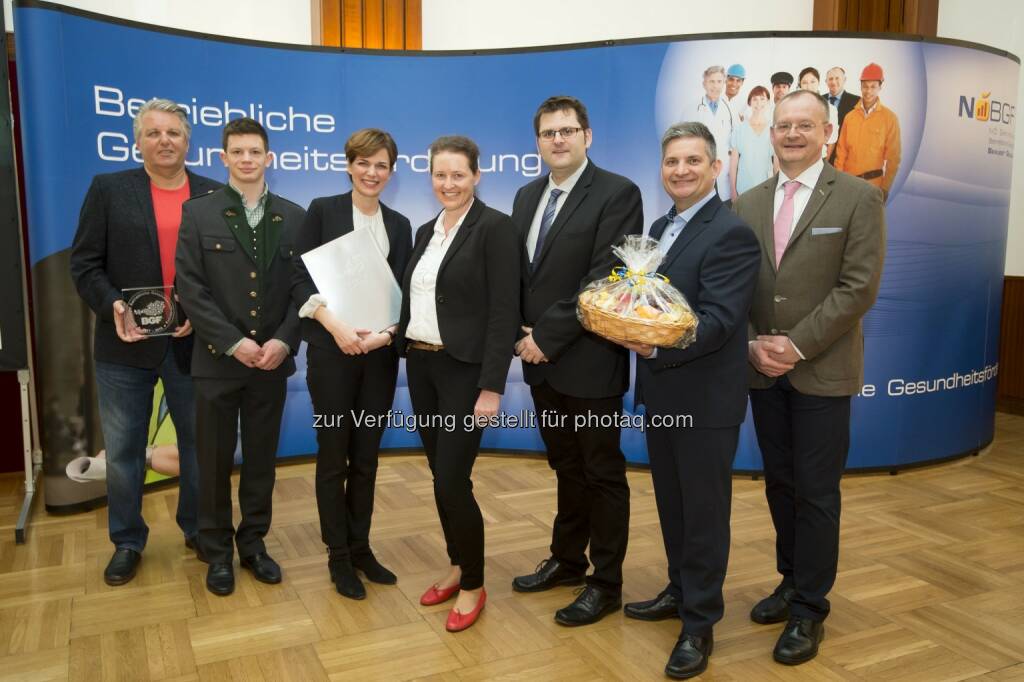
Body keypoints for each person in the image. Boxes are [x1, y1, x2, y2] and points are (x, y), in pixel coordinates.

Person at [732, 89, 885, 665]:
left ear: (828, 133)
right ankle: (790, 580)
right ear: (771, 133)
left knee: (817, 493)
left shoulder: (859, 198)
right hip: (762, 371)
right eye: (783, 125)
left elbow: (858, 288)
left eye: (805, 125)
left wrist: (795, 345)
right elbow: (736, 285)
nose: (792, 134)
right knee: (780, 484)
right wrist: (753, 344)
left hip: (821, 370)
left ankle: (810, 608)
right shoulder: (747, 202)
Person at [619, 121, 760, 680]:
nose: (681, 170)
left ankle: (700, 624)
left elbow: (720, 321)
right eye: (672, 161)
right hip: (663, 391)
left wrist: (653, 344)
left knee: (703, 513)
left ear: (716, 167)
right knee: (673, 504)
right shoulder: (660, 227)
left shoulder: (731, 233)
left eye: (693, 161)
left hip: (704, 399)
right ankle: (679, 591)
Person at [70, 98, 220, 586]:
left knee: (199, 446)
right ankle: (127, 541)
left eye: (173, 132)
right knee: (124, 451)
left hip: (192, 345)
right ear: (138, 142)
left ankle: (197, 529)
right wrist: (113, 304)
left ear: (187, 141)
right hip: (124, 347)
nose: (164, 141)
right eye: (153, 133)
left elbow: (225, 272)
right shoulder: (109, 189)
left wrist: (201, 314)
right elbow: (85, 264)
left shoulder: (214, 194)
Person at [510, 95, 643, 626]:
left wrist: (547, 335)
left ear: (587, 136)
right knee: (565, 466)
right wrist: (521, 337)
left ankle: (605, 583)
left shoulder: (618, 192)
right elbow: (521, 276)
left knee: (601, 472)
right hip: (539, 361)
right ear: (538, 142)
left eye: (567, 130)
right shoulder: (526, 196)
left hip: (589, 358)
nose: (558, 140)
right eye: (548, 133)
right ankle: (567, 561)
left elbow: (608, 277)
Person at [394, 135, 519, 632]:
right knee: (439, 476)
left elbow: (504, 312)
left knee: (452, 479)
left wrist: (492, 387)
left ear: (476, 176)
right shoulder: (426, 230)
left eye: (458, 175)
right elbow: (418, 301)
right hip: (422, 367)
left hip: (466, 373)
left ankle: (474, 584)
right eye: (440, 175)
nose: (448, 184)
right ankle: (457, 564)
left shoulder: (496, 228)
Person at [175, 117, 304, 596]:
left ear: (269, 158)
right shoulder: (198, 214)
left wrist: (284, 341)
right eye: (237, 152)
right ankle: (217, 552)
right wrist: (234, 342)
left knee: (261, 460)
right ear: (223, 158)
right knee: (212, 462)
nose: (247, 159)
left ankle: (253, 544)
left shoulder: (295, 216)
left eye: (255, 152)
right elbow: (191, 287)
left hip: (271, 362)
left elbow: (305, 290)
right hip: (216, 362)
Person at [293, 128, 412, 599]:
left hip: (378, 360)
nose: (372, 172)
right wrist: (334, 326)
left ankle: (361, 547)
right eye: (363, 163)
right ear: (348, 165)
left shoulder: (399, 225)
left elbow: (402, 293)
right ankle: (338, 556)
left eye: (381, 165)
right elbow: (298, 277)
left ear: (392, 171)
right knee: (332, 457)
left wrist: (386, 335)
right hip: (331, 355)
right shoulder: (322, 211)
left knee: (366, 458)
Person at [834, 63, 901, 200]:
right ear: (860, 86)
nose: (868, 91)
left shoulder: (889, 119)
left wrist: (885, 188)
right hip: (848, 185)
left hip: (873, 187)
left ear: (880, 87)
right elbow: (841, 153)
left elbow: (893, 158)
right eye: (865, 86)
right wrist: (838, 182)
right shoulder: (850, 117)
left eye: (873, 87)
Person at [693, 66, 734, 201]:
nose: (715, 86)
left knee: (724, 203)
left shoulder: (730, 108)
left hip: (724, 167)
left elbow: (736, 140)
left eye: (719, 81)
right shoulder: (692, 109)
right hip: (702, 165)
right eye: (711, 81)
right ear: (704, 84)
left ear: (724, 83)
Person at [729, 85, 775, 196]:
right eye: (755, 99)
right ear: (749, 103)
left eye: (762, 99)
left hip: (766, 187)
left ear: (768, 102)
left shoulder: (773, 130)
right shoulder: (740, 129)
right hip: (744, 187)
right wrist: (733, 191)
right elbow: (733, 163)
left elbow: (777, 165)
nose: (759, 103)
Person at [797, 67, 839, 159]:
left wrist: (824, 162)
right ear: (800, 85)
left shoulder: (830, 109)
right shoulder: (793, 108)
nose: (809, 86)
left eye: (813, 82)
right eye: (804, 83)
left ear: (818, 83)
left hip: (819, 158)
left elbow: (831, 141)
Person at [824, 66, 860, 162]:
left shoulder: (857, 102)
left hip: (846, 157)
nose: (833, 82)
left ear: (844, 80)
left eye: (837, 78)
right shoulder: (819, 100)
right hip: (822, 154)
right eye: (830, 79)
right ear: (826, 81)